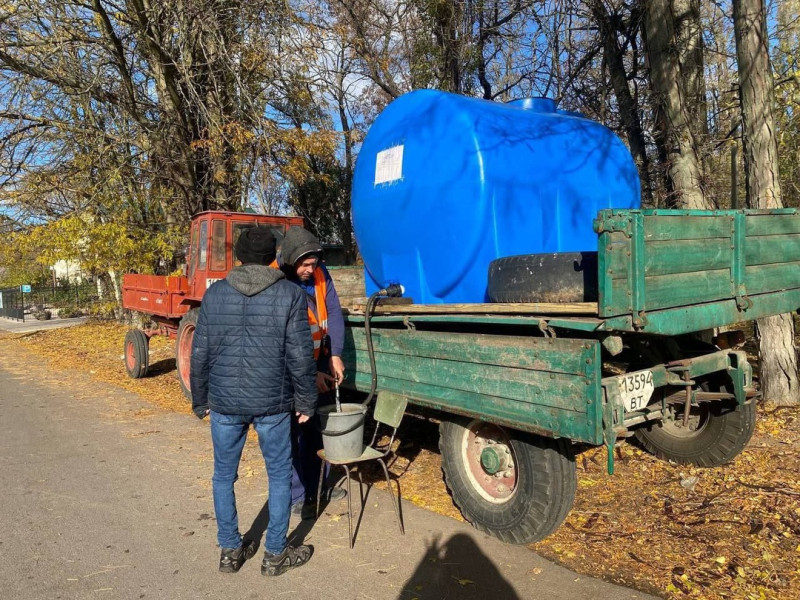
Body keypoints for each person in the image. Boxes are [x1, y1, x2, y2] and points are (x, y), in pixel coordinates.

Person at [190, 226, 317, 576]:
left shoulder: (215, 296)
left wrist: (200, 400)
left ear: (239, 257)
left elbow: (200, 353)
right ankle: (274, 554)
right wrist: (306, 401)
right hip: (273, 403)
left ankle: (230, 551)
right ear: (273, 257)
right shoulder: (290, 295)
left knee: (222, 477)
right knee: (278, 477)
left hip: (225, 403)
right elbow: (301, 356)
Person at [274, 226, 347, 518]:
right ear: (291, 260)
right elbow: (281, 339)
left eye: (313, 263)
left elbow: (334, 311)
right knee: (291, 433)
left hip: (316, 359)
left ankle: (320, 487)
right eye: (304, 264)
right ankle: (297, 494)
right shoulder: (276, 280)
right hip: (287, 369)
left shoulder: (319, 273)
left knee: (316, 429)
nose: (310, 269)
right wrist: (307, 374)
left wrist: (336, 355)